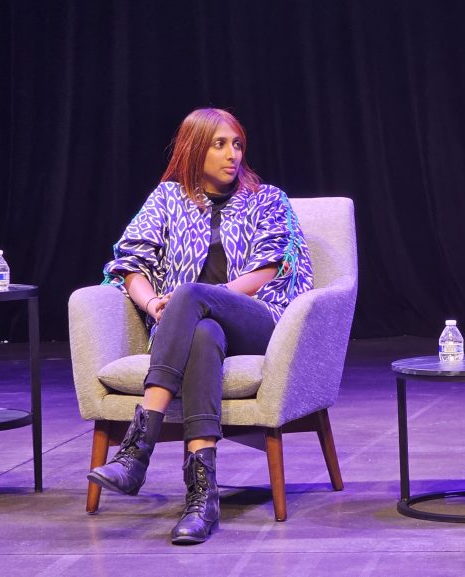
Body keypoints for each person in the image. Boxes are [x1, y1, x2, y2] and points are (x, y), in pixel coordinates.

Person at [87, 108, 313, 545]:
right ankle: (201, 498)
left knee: (192, 294)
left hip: (258, 320)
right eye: (220, 144)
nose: (233, 154)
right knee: (204, 333)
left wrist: (208, 295)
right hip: (188, 329)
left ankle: (137, 448)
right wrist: (154, 304)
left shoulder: (266, 198)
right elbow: (129, 263)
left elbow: (272, 267)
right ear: (195, 149)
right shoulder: (167, 198)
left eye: (238, 144)